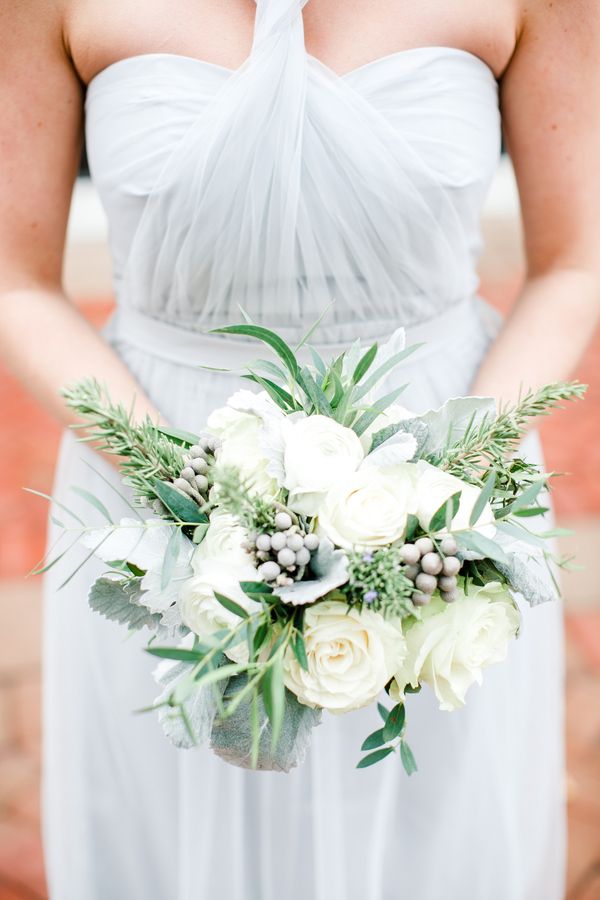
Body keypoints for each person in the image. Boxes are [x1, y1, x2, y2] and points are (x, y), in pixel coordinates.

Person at [1, 1, 599, 897]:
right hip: (155, 483)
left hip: (443, 493)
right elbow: (16, 278)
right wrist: (189, 493)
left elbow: (575, 264)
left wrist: (444, 485)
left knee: (427, 822)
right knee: (175, 810)